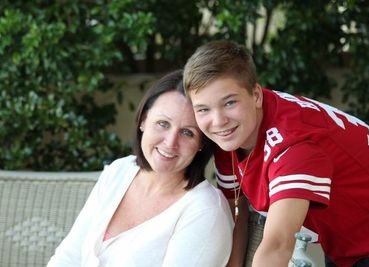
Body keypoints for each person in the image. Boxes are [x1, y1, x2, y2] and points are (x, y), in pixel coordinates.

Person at [183, 40, 369, 267]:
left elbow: (277, 246)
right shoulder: (231, 132)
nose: (218, 121)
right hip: (350, 237)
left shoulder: (294, 146)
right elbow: (236, 210)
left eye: (229, 103)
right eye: (204, 109)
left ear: (256, 95)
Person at [47, 70, 234, 267]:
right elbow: (68, 256)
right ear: (144, 120)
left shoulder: (205, 211)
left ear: (201, 143)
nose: (171, 143)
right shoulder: (119, 171)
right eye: (163, 123)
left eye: (187, 133)